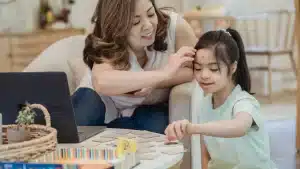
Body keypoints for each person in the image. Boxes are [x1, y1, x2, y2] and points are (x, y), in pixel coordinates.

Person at [71, 0, 197, 134]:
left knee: (154, 131)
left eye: (150, 14)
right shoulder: (108, 39)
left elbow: (196, 69)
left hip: (148, 107)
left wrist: (156, 83)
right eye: (135, 22)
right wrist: (163, 74)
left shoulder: (175, 27)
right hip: (100, 99)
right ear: (116, 26)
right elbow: (101, 82)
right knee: (78, 125)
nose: (148, 26)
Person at [164, 28, 277, 169]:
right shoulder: (204, 104)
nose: (204, 75)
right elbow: (206, 156)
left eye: (213, 69)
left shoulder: (244, 102)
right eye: (198, 68)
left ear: (233, 67)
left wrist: (192, 128)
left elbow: (239, 127)